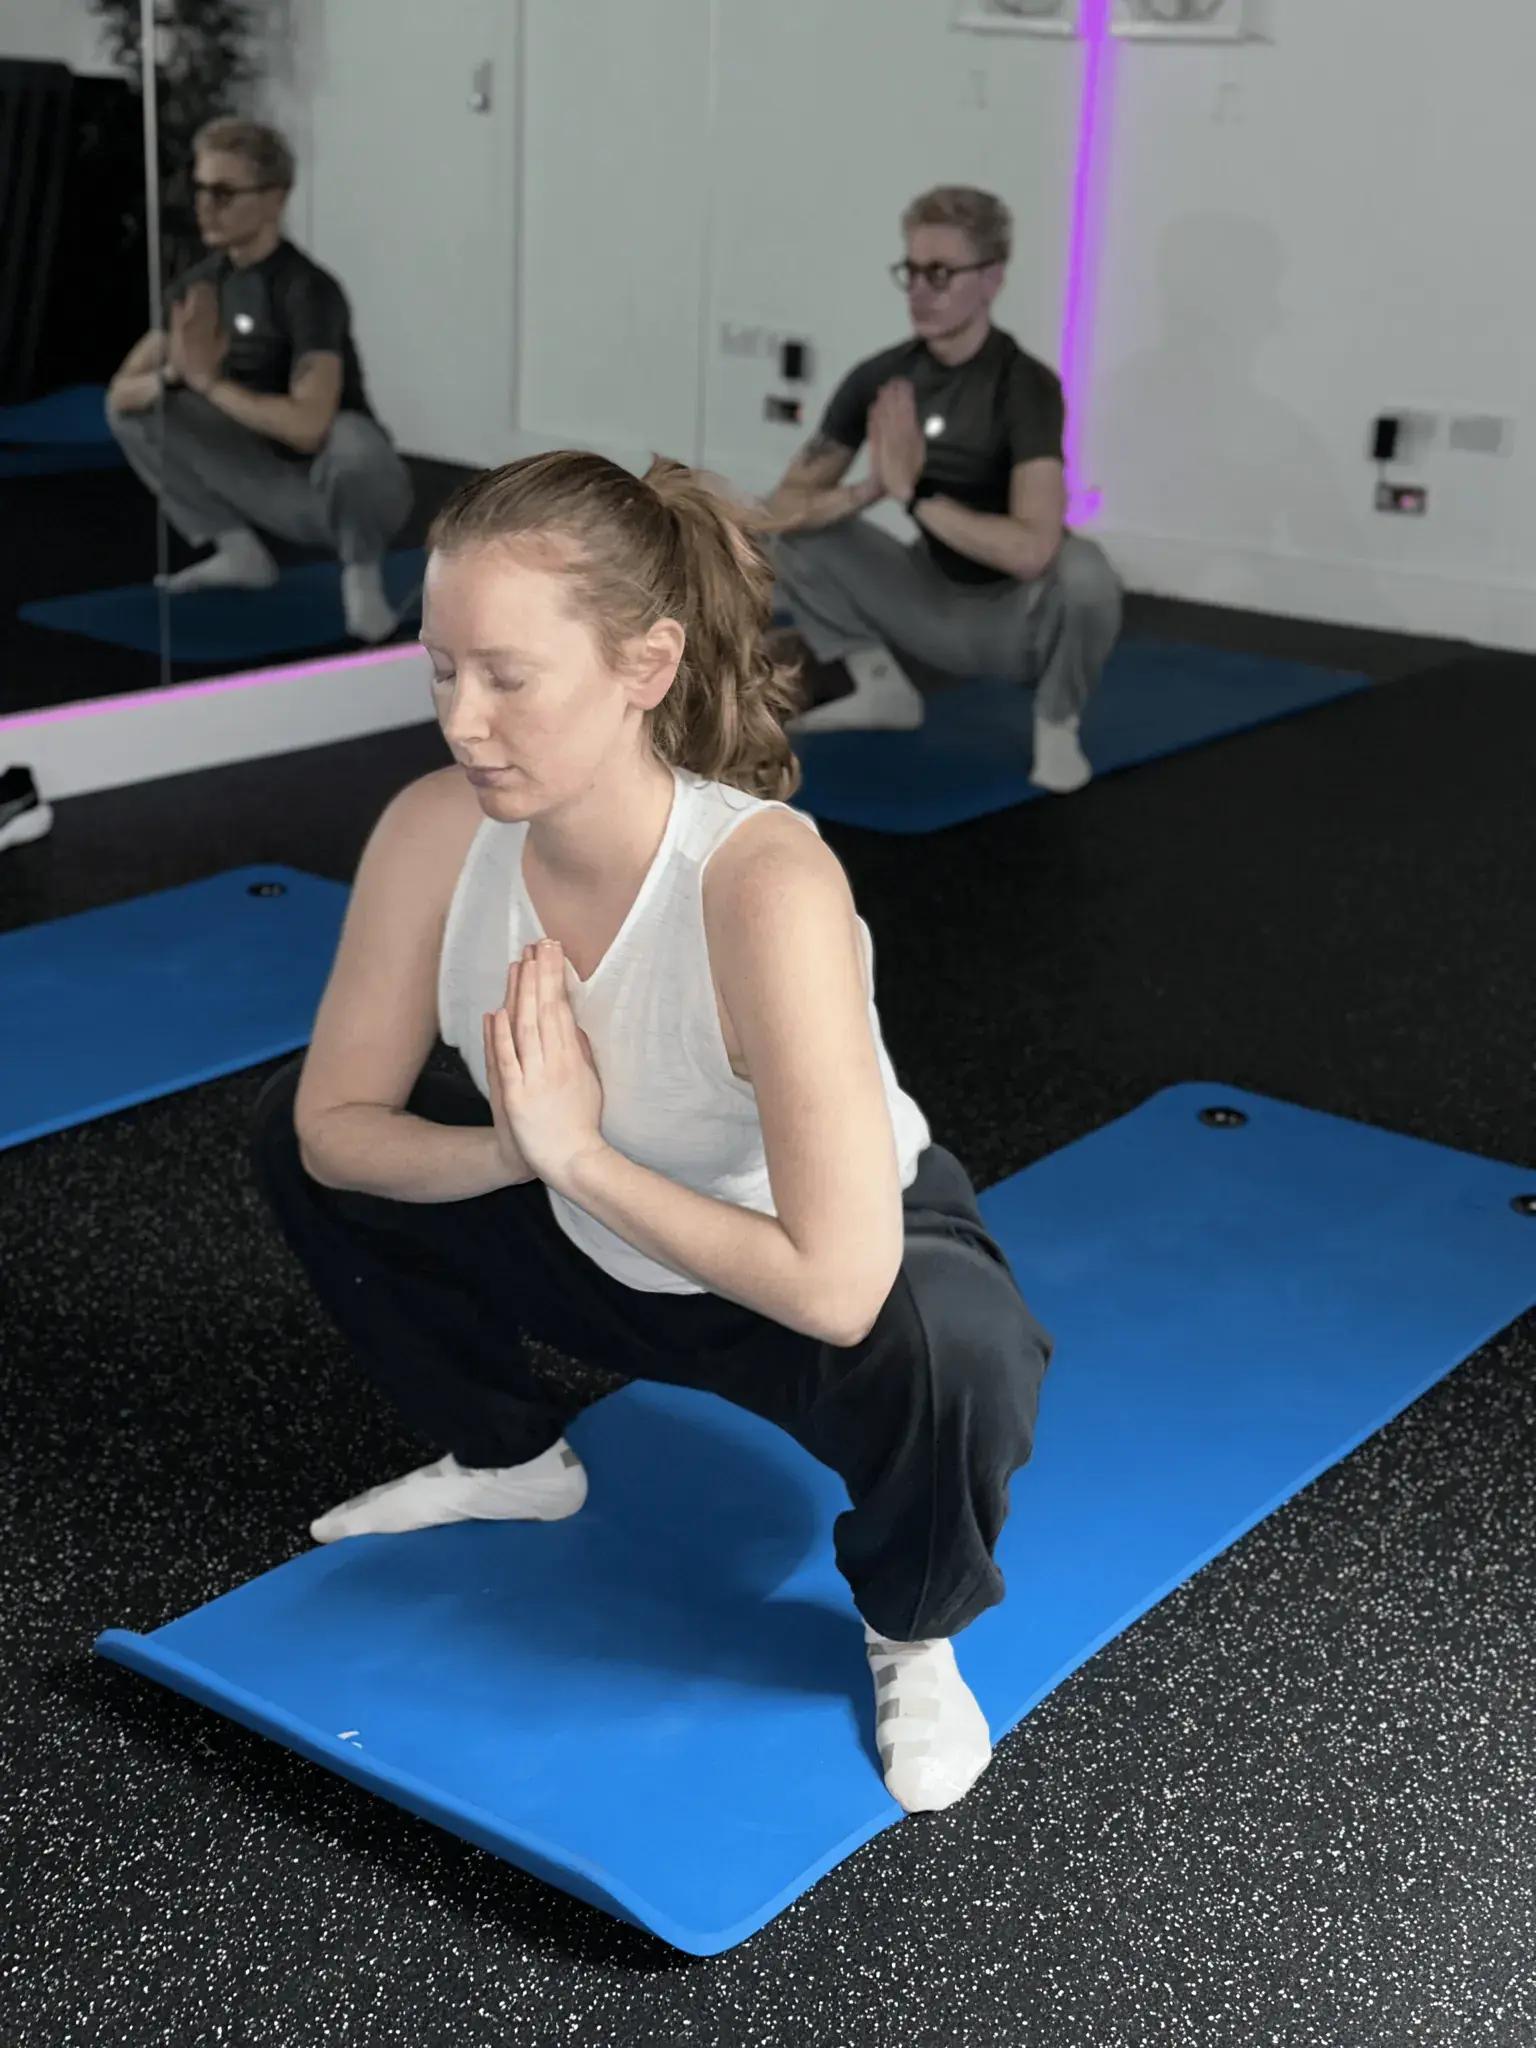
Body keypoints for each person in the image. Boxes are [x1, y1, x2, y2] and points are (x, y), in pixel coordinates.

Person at [249, 450, 1053, 1815]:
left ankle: (913, 1630)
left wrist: (576, 1157)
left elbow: (836, 1284)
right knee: (288, 1129)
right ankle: (509, 1459)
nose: (463, 719)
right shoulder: (435, 831)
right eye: (441, 670)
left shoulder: (760, 882)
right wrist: (514, 1154)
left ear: (646, 665)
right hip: (579, 1214)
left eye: (508, 677)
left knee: (957, 1353)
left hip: (787, 1260)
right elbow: (333, 1129)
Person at [767, 186, 1123, 794]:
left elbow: (1034, 550)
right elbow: (781, 508)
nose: (919, 291)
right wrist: (870, 489)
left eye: (940, 274)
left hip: (1016, 622)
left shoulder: (1025, 387)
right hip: (926, 603)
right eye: (911, 272)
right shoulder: (882, 378)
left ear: (991, 280)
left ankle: (1056, 724)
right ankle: (880, 686)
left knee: (1087, 574)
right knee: (794, 534)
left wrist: (915, 494)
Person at [106, 119, 412, 645]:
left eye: (224, 193)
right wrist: (175, 373)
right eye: (201, 190)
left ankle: (362, 576)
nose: (206, 207)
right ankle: (239, 553)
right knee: (135, 409)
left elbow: (309, 429)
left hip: (342, 492)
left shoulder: (308, 290)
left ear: (274, 199)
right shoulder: (199, 288)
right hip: (262, 482)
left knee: (351, 441)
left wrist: (208, 384)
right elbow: (120, 392)